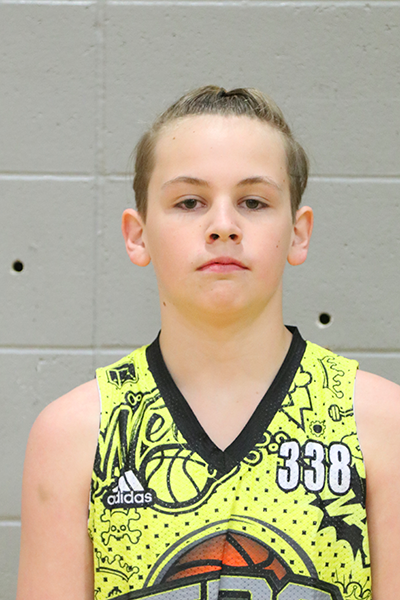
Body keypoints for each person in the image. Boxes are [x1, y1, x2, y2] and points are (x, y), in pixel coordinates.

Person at [17, 86, 400, 600]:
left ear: (298, 233)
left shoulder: (380, 424)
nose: (223, 226)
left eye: (253, 202)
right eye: (189, 202)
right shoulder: (75, 435)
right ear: (138, 235)